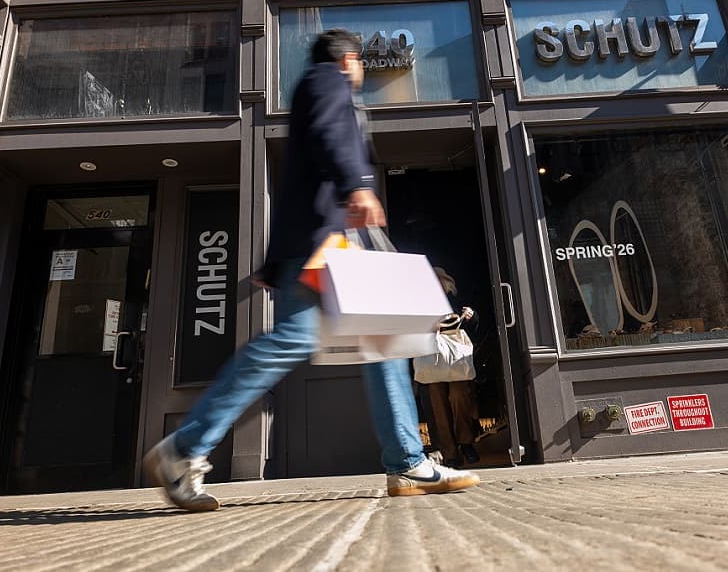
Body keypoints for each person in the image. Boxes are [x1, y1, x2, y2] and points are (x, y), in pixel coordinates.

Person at [143, 29, 479, 511]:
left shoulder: (316, 86)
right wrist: (359, 184)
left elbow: (300, 177)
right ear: (350, 60)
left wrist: (274, 261)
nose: (360, 73)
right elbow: (328, 133)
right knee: (291, 343)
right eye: (360, 64)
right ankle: (185, 447)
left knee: (381, 342)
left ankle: (407, 460)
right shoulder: (328, 80)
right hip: (330, 246)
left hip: (324, 246)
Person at [417, 268, 481, 467]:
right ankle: (449, 453)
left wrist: (472, 316)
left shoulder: (456, 303)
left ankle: (466, 442)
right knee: (437, 404)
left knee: (460, 395)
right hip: (431, 360)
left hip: (455, 361)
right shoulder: (419, 304)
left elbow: (473, 331)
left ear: (447, 284)